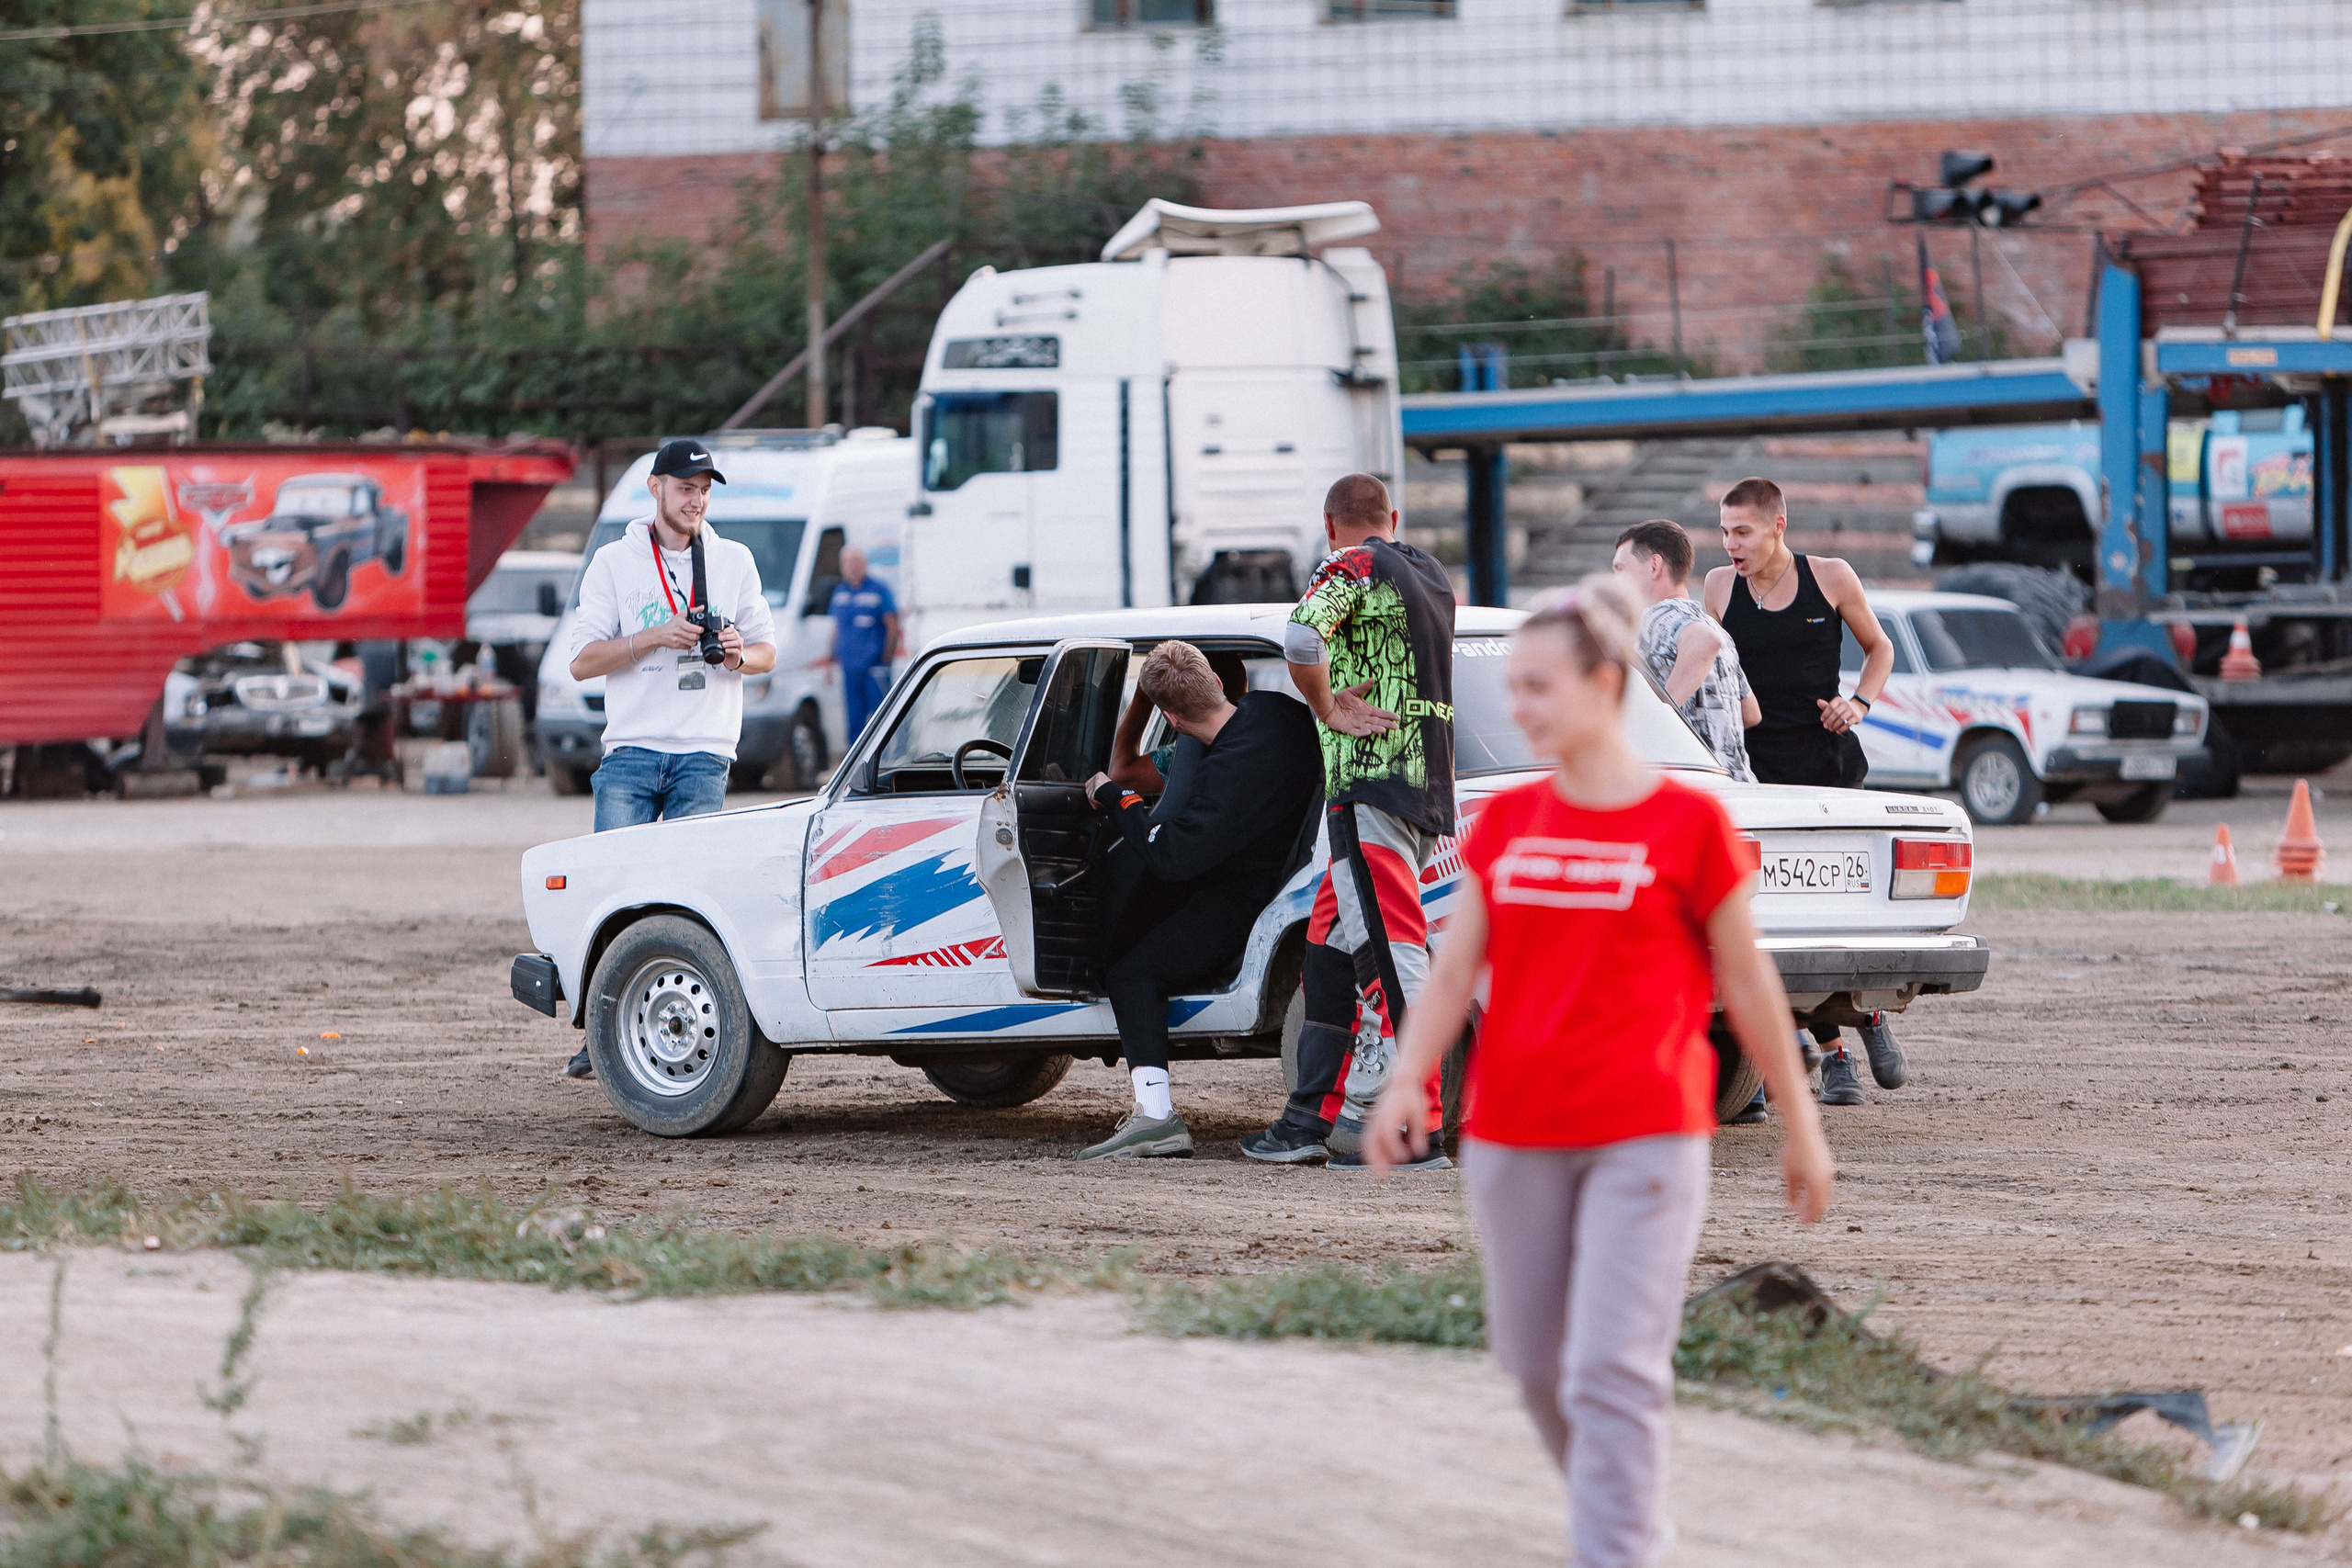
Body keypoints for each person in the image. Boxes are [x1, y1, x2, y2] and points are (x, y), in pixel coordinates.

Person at [1362, 574, 1834, 1568]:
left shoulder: (1688, 824)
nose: (1519, 707)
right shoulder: (1506, 825)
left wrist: (1801, 1125)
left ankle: (1615, 1553)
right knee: (1535, 1365)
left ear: (1606, 682)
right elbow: (1455, 967)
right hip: (1512, 1135)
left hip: (1645, 1135)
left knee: (1610, 1368)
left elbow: (1747, 986)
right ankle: (1628, 1521)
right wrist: (1408, 1078)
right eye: (1513, 687)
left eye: (1538, 686)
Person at [1240, 472, 1455, 1170]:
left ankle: (1418, 1129)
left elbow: (1302, 634)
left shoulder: (1351, 562)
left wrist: (1327, 704)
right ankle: (1307, 1119)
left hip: (1371, 787)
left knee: (1394, 955)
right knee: (1330, 952)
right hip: (1422, 788)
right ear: (1394, 515)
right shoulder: (1431, 574)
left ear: (1330, 526)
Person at [560, 436, 778, 1079]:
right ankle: (598, 1034)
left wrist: (736, 650)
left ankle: (681, 1029)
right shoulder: (615, 562)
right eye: (685, 487)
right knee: (615, 898)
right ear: (655, 488)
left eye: (705, 488)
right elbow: (580, 661)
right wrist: (654, 637)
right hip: (630, 749)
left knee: (690, 902)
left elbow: (769, 653)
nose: (696, 499)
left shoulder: (732, 560)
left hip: (705, 752)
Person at [1702, 476, 1908, 1106]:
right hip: (1758, 778)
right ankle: (1835, 1054)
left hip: (1828, 767)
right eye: (1724, 530)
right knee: (1772, 922)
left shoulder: (1832, 576)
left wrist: (1859, 704)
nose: (1731, 543)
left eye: (1742, 530)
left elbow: (1881, 648)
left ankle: (1867, 1017)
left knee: (1833, 914)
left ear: (1777, 526)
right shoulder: (1716, 587)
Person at [1079, 641, 1320, 1160]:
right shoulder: (1280, 712)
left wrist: (1114, 798)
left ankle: (1156, 1116)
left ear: (1171, 718)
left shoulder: (1218, 783)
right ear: (1215, 680)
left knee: (1131, 971)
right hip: (1285, 877)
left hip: (1240, 903)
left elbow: (1167, 858)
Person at [1611, 519, 1758, 781]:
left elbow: (1704, 642)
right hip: (1739, 785)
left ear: (1654, 566)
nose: (1616, 580)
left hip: (1693, 786)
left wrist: (1660, 718)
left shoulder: (1656, 616)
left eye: (1621, 569)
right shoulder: (1717, 628)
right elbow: (1751, 713)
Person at [826, 546, 899, 744]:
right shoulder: (840, 592)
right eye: (847, 563)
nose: (852, 567)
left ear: (864, 564)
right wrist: (829, 662)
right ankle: (855, 765)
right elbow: (836, 629)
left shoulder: (879, 590)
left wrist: (885, 661)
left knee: (882, 718)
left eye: (856, 562)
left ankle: (886, 759)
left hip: (874, 668)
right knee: (854, 720)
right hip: (850, 669)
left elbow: (892, 626)